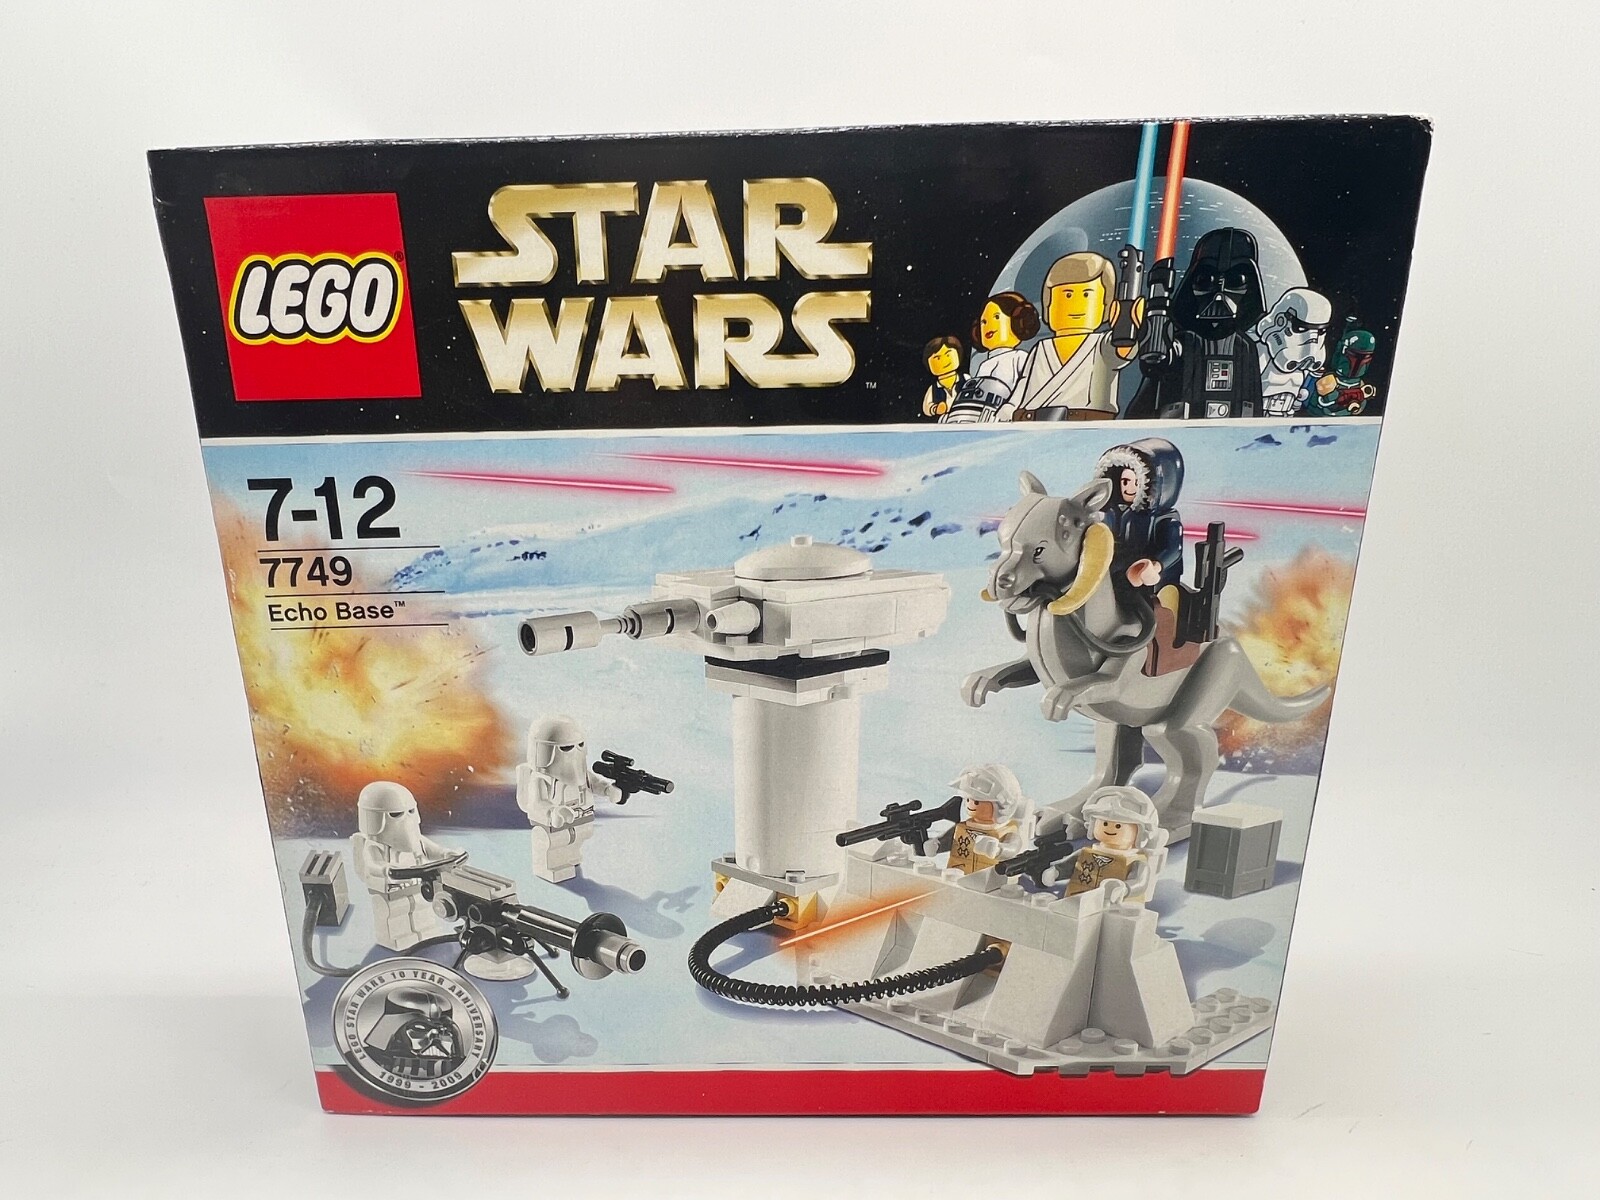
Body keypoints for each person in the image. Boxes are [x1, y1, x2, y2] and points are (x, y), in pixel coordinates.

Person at [1003, 252, 1136, 420]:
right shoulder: (1041, 348)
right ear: (1049, 303)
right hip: (1032, 423)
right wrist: (1007, 410)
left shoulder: (1102, 343)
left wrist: (1126, 326)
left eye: (1086, 294)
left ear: (1106, 305)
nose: (1076, 304)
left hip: (1084, 425)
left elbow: (1120, 351)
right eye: (1067, 295)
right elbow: (1023, 385)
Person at [919, 335, 968, 421]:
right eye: (937, 358)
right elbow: (926, 407)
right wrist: (935, 408)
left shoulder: (966, 379)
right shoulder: (933, 389)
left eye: (948, 355)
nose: (944, 361)